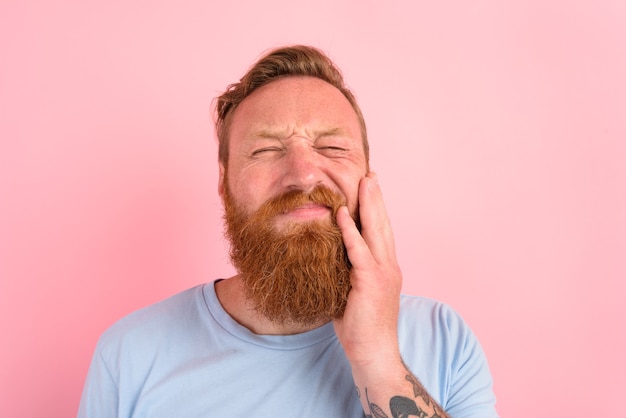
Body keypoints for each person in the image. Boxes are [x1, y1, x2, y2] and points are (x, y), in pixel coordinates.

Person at [78, 45, 498, 418]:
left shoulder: (445, 339)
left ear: (368, 178)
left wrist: (378, 360)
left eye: (332, 147)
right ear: (224, 184)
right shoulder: (128, 355)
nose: (303, 174)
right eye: (265, 150)